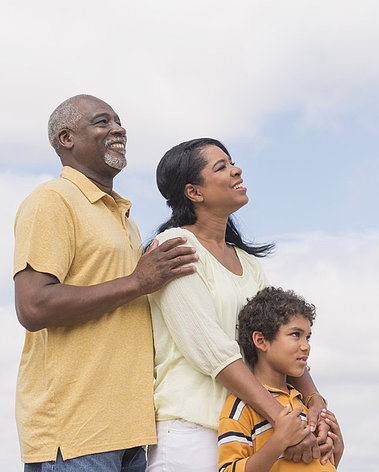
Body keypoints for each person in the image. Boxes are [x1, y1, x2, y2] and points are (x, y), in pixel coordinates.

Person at [13, 94, 199, 472]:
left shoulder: (122, 214)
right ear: (67, 139)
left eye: (118, 120)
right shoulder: (53, 200)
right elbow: (32, 307)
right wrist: (137, 281)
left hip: (132, 434)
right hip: (76, 435)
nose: (118, 129)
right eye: (102, 122)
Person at [146, 138, 332, 472]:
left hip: (252, 430)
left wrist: (315, 403)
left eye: (232, 162)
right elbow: (212, 350)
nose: (237, 170)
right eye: (221, 167)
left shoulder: (249, 264)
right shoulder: (174, 246)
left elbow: (278, 340)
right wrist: (283, 419)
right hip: (193, 431)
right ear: (194, 192)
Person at [218, 287, 344, 472]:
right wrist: (279, 442)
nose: (306, 346)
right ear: (261, 341)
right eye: (295, 334)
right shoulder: (241, 407)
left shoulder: (307, 405)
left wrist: (337, 450)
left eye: (308, 337)